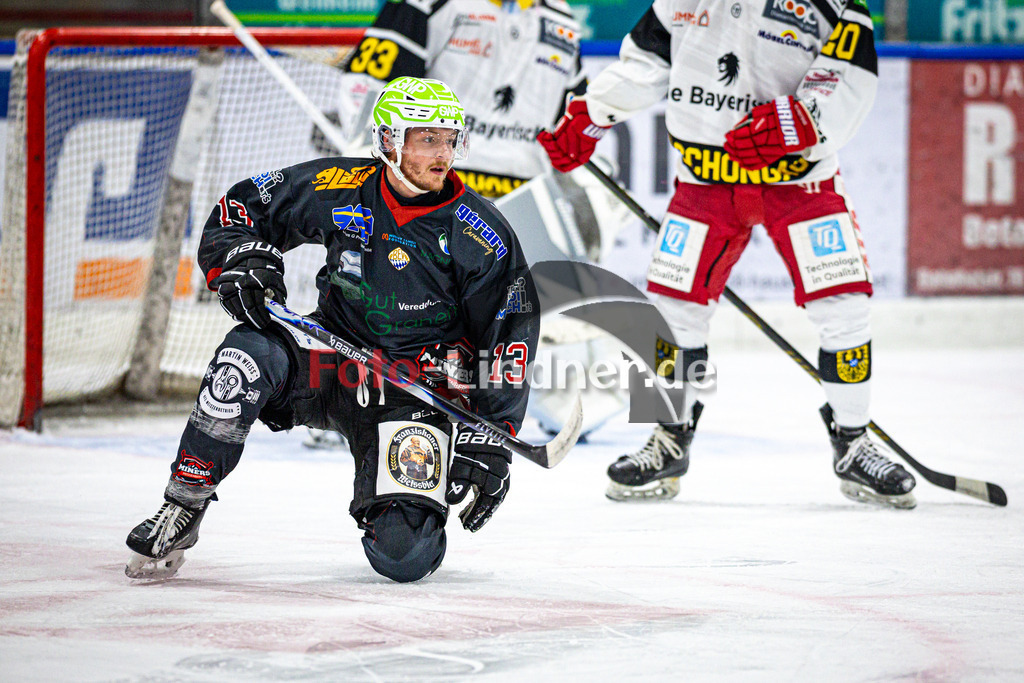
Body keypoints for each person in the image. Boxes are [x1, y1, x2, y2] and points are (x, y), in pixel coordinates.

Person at [125, 76, 540, 583]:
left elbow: (510, 330)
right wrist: (243, 260)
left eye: (450, 139)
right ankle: (183, 504)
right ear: (389, 141)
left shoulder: (480, 230)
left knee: (405, 555)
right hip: (327, 359)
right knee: (245, 358)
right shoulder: (340, 185)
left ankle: (390, 501)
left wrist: (490, 434)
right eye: (427, 138)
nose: (443, 153)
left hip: (409, 390)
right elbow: (240, 210)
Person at [537, 0, 917, 508]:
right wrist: (592, 112)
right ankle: (668, 438)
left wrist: (802, 120)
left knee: (844, 305)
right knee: (672, 314)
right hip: (705, 180)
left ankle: (853, 442)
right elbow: (646, 60)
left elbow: (850, 75)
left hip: (800, 179)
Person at [339, 0, 587, 199]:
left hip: (527, 196)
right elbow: (366, 90)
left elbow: (574, 124)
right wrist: (383, 173)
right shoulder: (426, 4)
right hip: (436, 187)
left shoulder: (562, 20)